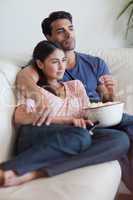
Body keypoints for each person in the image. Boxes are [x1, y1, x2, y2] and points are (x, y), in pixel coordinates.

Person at [15, 11, 133, 194]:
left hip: (97, 115)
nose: (69, 34)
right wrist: (37, 97)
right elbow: (24, 79)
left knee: (128, 125)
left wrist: (110, 93)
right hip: (75, 121)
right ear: (49, 37)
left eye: (71, 28)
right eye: (61, 31)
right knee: (118, 137)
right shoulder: (43, 64)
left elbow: (106, 101)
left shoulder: (95, 63)